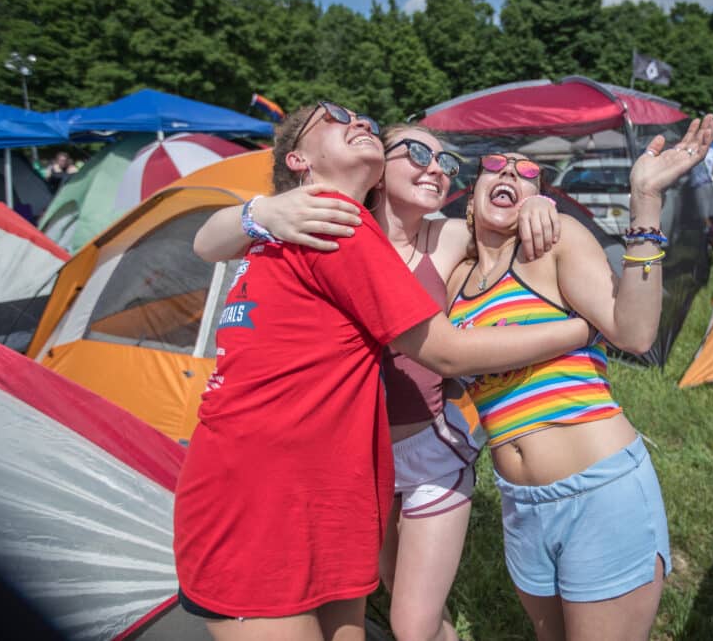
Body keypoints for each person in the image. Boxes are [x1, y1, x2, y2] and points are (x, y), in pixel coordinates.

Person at [173, 101, 592, 641]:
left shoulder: (357, 228)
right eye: (334, 116)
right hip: (260, 498)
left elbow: (492, 227)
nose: (358, 121)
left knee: (399, 622)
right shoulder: (305, 222)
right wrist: (258, 213)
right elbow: (205, 240)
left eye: (365, 121)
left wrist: (542, 207)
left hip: (327, 488)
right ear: (298, 158)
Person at [446, 116, 713, 640]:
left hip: (600, 492)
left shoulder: (553, 245)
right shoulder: (453, 276)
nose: (511, 174)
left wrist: (645, 201)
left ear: (537, 198)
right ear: (470, 192)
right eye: (495, 167)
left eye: (529, 174)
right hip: (520, 504)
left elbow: (634, 333)